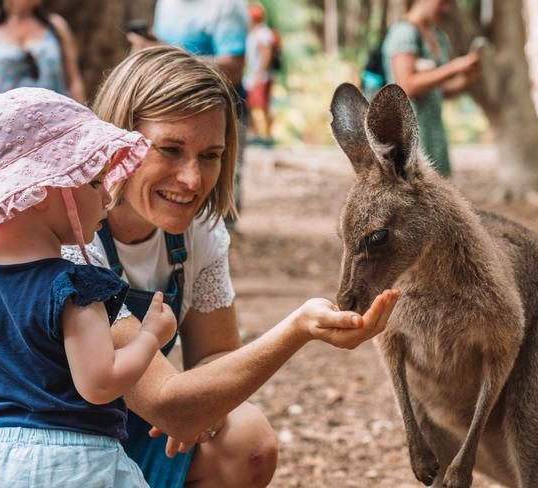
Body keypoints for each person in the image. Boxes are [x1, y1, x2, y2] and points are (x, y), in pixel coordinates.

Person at [62, 45, 399, 488]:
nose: (193, 180)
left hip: (126, 430)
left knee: (247, 442)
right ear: (119, 141)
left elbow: (213, 356)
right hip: (53, 445)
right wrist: (297, 329)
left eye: (210, 155)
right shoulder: (74, 241)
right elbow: (165, 401)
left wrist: (205, 407)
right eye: (170, 149)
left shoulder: (198, 232)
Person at [0, 87, 177, 486]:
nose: (108, 196)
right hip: (78, 463)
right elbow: (100, 383)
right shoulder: (74, 285)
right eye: (93, 181)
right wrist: (150, 337)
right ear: (39, 191)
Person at [129, 0, 250, 227]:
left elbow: (233, 67)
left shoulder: (227, 6)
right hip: (167, 111)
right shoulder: (166, 3)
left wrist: (167, 56)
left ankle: (224, 228)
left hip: (218, 111)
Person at [382, 0, 480, 177]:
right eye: (443, 2)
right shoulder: (404, 32)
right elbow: (406, 86)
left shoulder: (438, 36)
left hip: (434, 132)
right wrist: (453, 67)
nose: (447, 9)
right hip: (409, 134)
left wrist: (465, 79)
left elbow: (440, 91)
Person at [0, 0, 85, 103]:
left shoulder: (55, 25)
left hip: (54, 112)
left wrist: (82, 112)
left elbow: (74, 81)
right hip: (3, 113)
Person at [245, 2, 276, 144]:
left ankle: (267, 136)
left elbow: (266, 54)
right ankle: (256, 134)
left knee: (262, 106)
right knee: (250, 105)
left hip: (261, 76)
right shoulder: (253, 33)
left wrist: (260, 73)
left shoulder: (263, 33)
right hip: (253, 75)